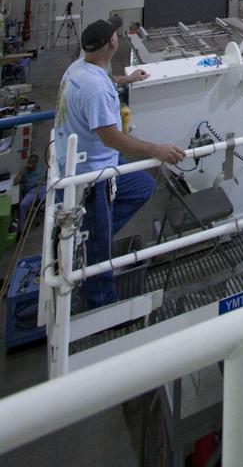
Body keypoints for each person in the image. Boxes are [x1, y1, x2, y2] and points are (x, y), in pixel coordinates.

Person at [54, 18, 185, 308]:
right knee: (99, 250)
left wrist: (130, 79)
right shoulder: (96, 91)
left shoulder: (80, 68)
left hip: (94, 164)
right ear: (113, 43)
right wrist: (157, 150)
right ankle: (101, 306)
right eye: (116, 33)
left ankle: (92, 239)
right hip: (92, 176)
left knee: (142, 187)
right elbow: (111, 137)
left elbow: (106, 81)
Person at [15, 153, 47, 231]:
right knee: (23, 205)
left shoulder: (41, 168)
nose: (32, 163)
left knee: (54, 196)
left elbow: (48, 175)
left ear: (37, 162)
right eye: (31, 161)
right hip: (31, 191)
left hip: (42, 187)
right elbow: (15, 182)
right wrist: (23, 172)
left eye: (34, 161)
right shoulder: (24, 170)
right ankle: (21, 229)